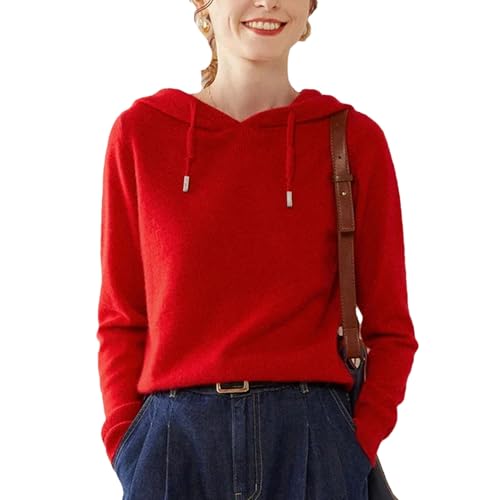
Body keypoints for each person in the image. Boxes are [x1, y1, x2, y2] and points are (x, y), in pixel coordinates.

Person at [96, 0, 419, 499]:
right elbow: (122, 318)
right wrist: (129, 445)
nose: (267, 2)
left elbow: (391, 328)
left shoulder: (353, 140)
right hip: (174, 446)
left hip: (312, 441)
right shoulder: (141, 134)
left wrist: (354, 446)